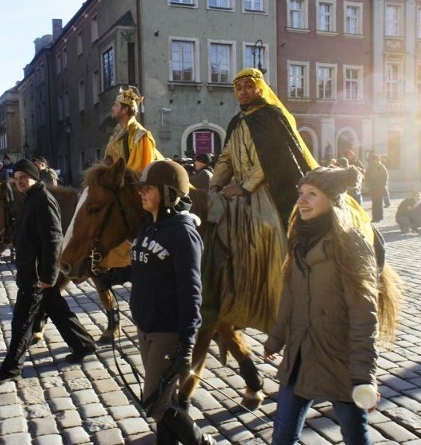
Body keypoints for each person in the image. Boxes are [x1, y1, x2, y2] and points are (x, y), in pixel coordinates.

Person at [264, 167, 401, 445]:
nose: (302, 201)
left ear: (332, 200)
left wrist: (364, 375)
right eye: (301, 194)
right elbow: (290, 296)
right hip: (300, 355)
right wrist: (276, 339)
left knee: (354, 435)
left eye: (312, 195)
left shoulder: (351, 243)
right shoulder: (298, 238)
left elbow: (364, 315)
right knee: (282, 436)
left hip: (338, 358)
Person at [205, 67, 317, 333]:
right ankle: (237, 300)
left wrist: (245, 187)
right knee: (217, 228)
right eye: (238, 88)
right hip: (238, 189)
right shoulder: (236, 122)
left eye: (248, 86)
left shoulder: (272, 116)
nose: (243, 92)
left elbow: (274, 158)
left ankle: (280, 304)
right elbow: (226, 158)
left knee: (268, 228)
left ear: (259, 88)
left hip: (270, 189)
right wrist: (215, 184)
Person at [0, 159, 96, 386]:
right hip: (31, 271)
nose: (19, 182)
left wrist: (48, 276)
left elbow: (53, 239)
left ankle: (11, 368)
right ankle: (83, 344)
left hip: (37, 275)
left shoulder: (44, 200)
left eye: (23, 178)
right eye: (16, 179)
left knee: (22, 323)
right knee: (56, 309)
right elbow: (30, 232)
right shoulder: (30, 199)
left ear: (35, 177)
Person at [130, 160, 216, 445]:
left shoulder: (183, 234)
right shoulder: (149, 225)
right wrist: (111, 275)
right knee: (162, 398)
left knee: (154, 402)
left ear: (168, 193)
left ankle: (201, 442)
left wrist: (187, 344)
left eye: (148, 189)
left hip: (167, 330)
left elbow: (191, 291)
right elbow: (144, 265)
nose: (141, 193)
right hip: (146, 325)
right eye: (141, 188)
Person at [105, 86, 163, 173]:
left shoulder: (140, 136)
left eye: (116, 105)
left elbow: (137, 172)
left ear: (125, 110)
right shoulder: (116, 133)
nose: (112, 108)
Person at [364, 154, 388, 223]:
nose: (375, 161)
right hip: (373, 187)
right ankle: (375, 217)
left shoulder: (381, 166)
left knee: (379, 202)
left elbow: (385, 176)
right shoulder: (370, 167)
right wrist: (369, 183)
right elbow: (367, 176)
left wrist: (383, 184)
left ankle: (379, 217)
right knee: (374, 203)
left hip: (380, 187)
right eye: (374, 159)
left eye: (377, 159)